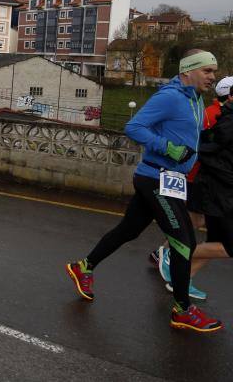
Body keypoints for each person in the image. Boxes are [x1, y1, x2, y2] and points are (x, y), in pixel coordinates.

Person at [65, 49, 223, 333]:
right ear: (188, 71)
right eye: (207, 71)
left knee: (129, 230)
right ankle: (182, 310)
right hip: (157, 178)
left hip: (173, 179)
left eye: (214, 71)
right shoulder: (170, 97)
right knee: (183, 242)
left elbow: (190, 135)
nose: (213, 76)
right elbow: (134, 127)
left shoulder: (196, 99)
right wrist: (168, 148)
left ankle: (83, 266)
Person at [159, 76, 233, 297]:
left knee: (210, 235)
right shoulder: (216, 117)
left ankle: (181, 277)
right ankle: (171, 254)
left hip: (206, 181)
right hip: (203, 182)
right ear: (229, 95)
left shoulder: (218, 114)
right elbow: (207, 148)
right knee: (196, 223)